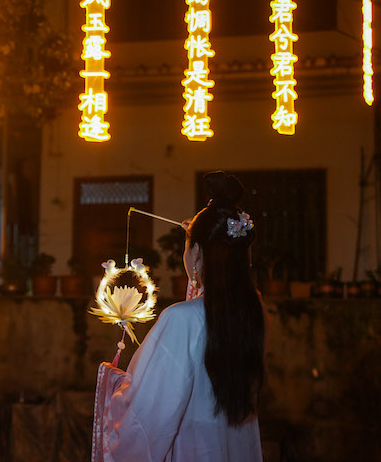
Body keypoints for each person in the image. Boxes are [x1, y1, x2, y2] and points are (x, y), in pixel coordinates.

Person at [92, 171, 265, 462]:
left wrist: (112, 382)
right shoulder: (254, 311)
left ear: (196, 253)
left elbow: (146, 419)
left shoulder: (181, 319)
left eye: (188, 246)